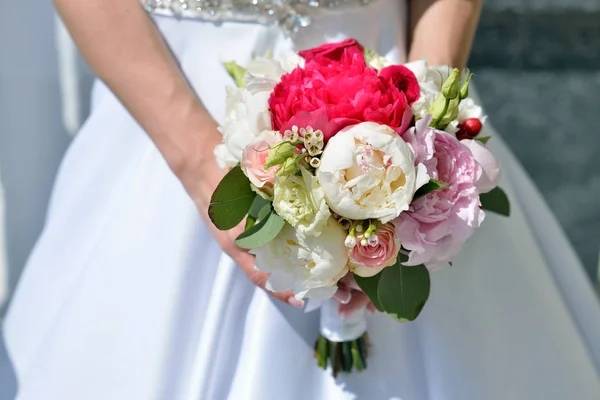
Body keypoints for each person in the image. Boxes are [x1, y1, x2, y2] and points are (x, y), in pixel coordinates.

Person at [4, 0, 600, 398]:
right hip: (169, 113)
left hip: (391, 89)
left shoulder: (410, 128)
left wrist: (417, 127)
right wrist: (197, 164)